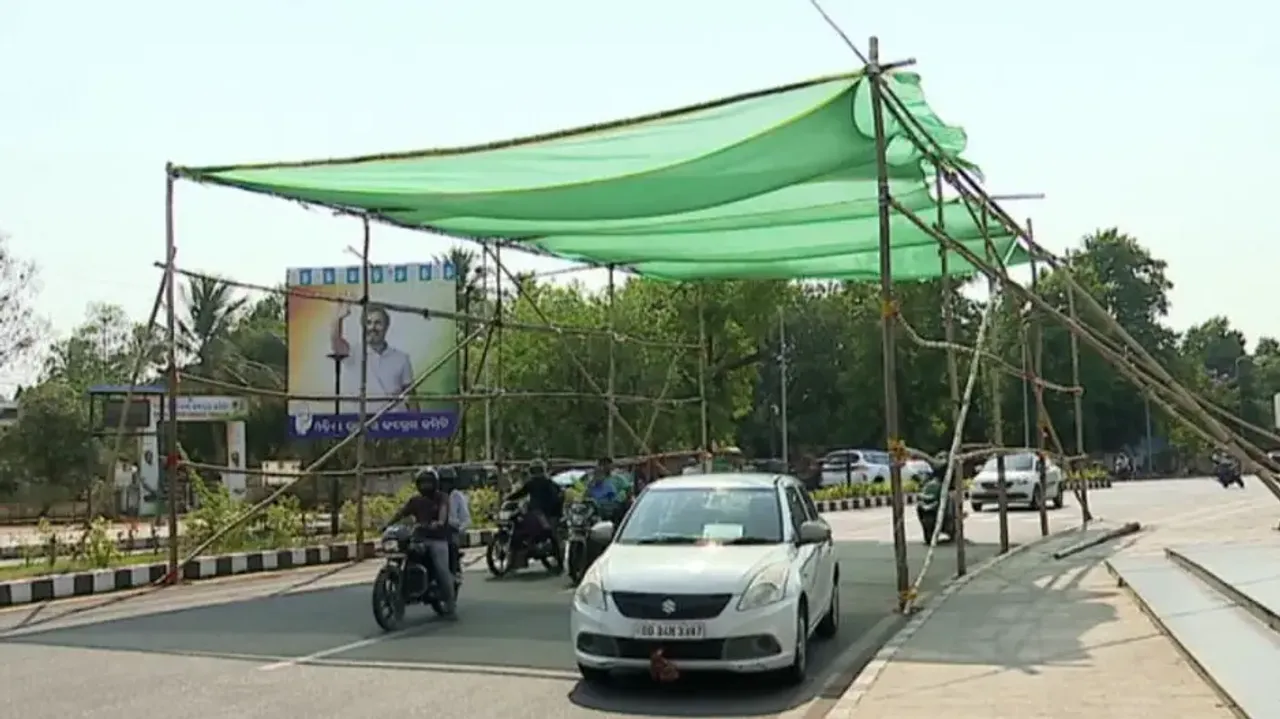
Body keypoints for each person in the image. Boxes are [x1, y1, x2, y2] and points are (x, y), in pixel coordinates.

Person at [384, 467, 455, 616]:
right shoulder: (415, 500)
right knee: (405, 555)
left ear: (435, 483)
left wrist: (439, 522)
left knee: (442, 569)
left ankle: (450, 602)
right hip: (418, 538)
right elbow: (401, 513)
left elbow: (443, 511)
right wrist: (387, 524)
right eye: (422, 483)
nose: (425, 486)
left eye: (428, 483)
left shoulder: (442, 497)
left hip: (437, 539)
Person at [330, 302, 417, 414]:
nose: (372, 327)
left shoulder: (402, 358)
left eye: (378, 323)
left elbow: (411, 397)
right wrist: (338, 318)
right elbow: (335, 342)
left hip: (393, 421)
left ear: (386, 327)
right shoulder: (353, 352)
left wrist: (417, 421)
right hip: (361, 421)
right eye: (368, 323)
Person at [507, 460, 563, 556]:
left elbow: (557, 496)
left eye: (538, 470)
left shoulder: (549, 483)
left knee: (551, 533)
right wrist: (508, 499)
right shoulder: (531, 483)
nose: (536, 472)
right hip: (533, 512)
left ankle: (558, 555)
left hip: (547, 513)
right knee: (518, 521)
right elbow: (520, 493)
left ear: (543, 470)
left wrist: (554, 505)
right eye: (534, 470)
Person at [440, 466, 470, 576]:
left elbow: (466, 519)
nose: (445, 485)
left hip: (452, 530)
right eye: (443, 481)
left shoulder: (457, 496)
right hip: (435, 530)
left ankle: (454, 570)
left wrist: (459, 529)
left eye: (448, 482)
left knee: (452, 546)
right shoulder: (434, 495)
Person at [584, 457, 625, 523]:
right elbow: (587, 495)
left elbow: (627, 491)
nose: (605, 467)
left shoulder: (617, 479)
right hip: (598, 513)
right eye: (602, 465)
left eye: (607, 464)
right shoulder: (594, 482)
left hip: (614, 511)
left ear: (611, 465)